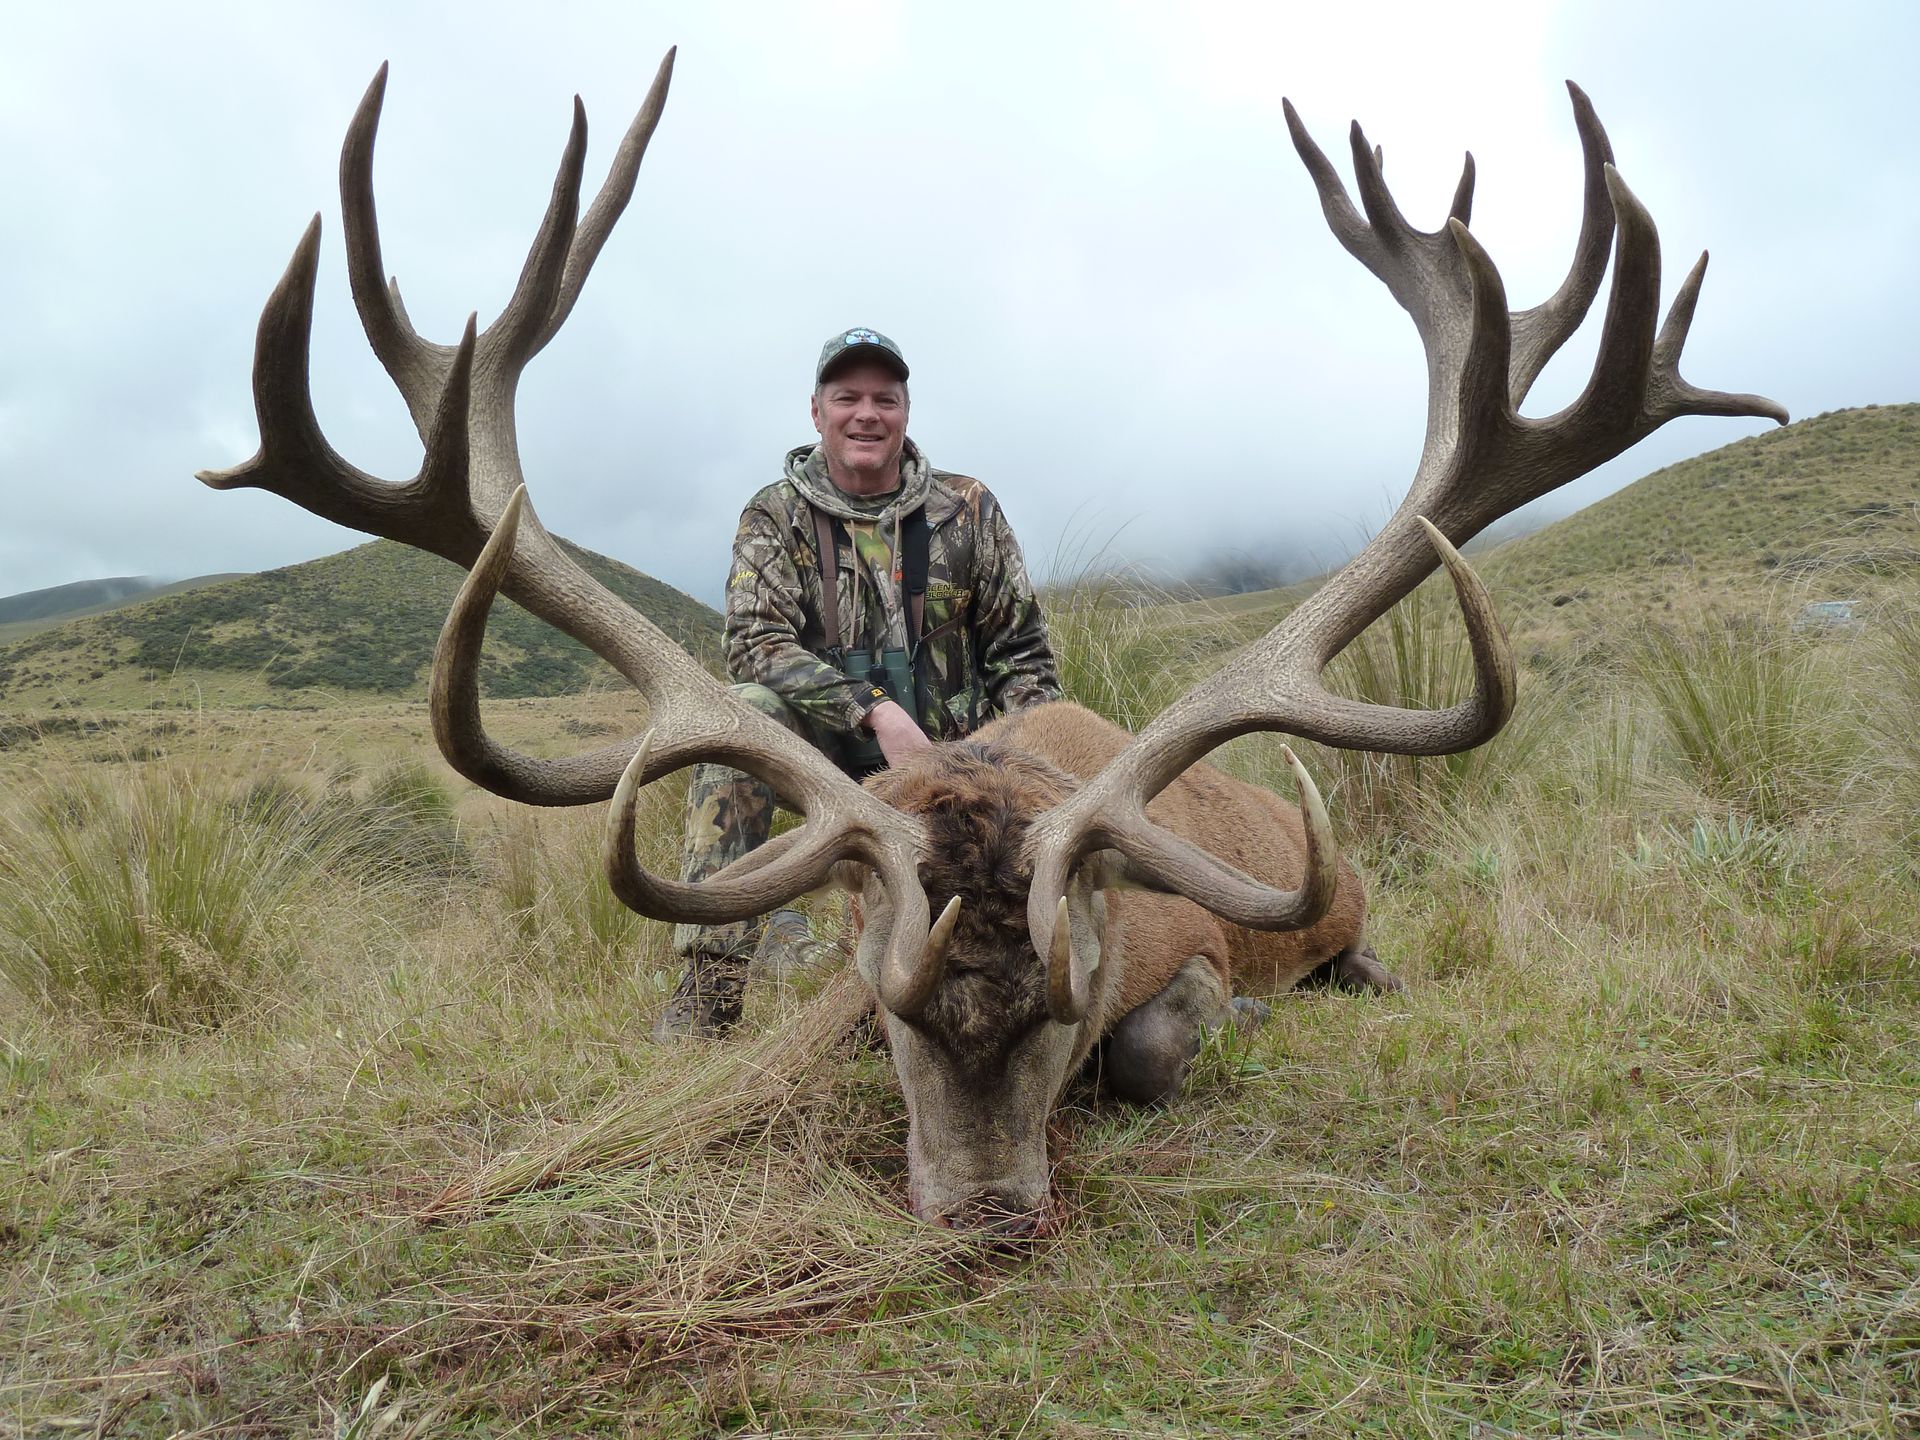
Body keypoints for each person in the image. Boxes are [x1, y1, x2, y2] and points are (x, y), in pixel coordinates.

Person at [654, 327, 1062, 1040]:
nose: (866, 414)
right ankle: (709, 986)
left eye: (885, 398)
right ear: (818, 412)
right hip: (833, 758)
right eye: (848, 398)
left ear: (906, 411)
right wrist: (873, 712)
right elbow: (755, 643)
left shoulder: (968, 509)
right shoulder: (774, 515)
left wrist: (1030, 763)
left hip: (963, 767)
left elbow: (1021, 652)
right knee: (738, 723)